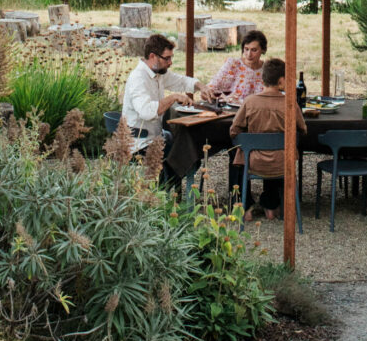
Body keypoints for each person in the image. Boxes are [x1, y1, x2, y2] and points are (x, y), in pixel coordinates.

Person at [229, 57, 306, 221]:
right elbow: (302, 129)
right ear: (281, 81)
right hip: (282, 163)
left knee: (239, 152)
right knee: (278, 149)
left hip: (254, 162)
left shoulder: (250, 102)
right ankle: (271, 205)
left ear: (262, 79)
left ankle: (244, 207)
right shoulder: (290, 103)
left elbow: (234, 131)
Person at [121, 34, 215, 149]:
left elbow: (181, 81)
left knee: (190, 143)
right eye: (167, 58)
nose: (170, 62)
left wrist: (202, 87)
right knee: (187, 148)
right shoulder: (138, 78)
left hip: (156, 137)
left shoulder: (158, 72)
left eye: (171, 57)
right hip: (140, 144)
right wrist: (173, 97)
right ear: (152, 56)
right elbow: (146, 112)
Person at [211, 29, 268, 104]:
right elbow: (211, 89)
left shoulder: (267, 69)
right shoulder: (234, 64)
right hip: (233, 108)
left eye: (254, 50)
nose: (249, 54)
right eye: (246, 49)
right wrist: (225, 97)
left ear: (263, 50)